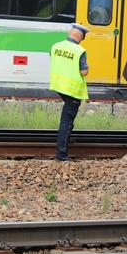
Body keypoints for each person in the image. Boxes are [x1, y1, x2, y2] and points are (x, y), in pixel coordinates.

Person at [49, 23, 90, 161]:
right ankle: (61, 155)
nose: (81, 41)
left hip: (58, 86)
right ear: (79, 36)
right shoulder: (79, 51)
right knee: (66, 121)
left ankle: (64, 144)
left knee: (67, 120)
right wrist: (87, 68)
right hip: (72, 89)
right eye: (82, 38)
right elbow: (84, 72)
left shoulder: (55, 46)